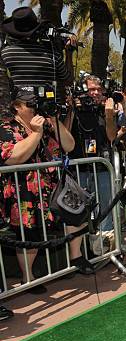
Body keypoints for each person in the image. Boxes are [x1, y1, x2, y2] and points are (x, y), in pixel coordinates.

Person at [0, 89, 80, 295]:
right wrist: (36, 134)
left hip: (50, 187)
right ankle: (28, 276)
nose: (36, 109)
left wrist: (54, 119)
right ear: (17, 106)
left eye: (38, 104)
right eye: (30, 105)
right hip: (23, 191)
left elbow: (69, 145)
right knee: (29, 233)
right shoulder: (7, 126)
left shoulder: (46, 123)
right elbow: (13, 157)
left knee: (73, 214)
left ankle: (76, 259)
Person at [68, 74, 124, 259]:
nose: (95, 93)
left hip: (102, 167)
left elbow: (111, 137)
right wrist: (70, 109)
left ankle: (105, 252)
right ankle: (80, 254)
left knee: (106, 210)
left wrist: (109, 115)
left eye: (99, 90)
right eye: (91, 89)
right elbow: (65, 134)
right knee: (78, 211)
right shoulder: (75, 109)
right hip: (79, 169)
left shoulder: (104, 110)